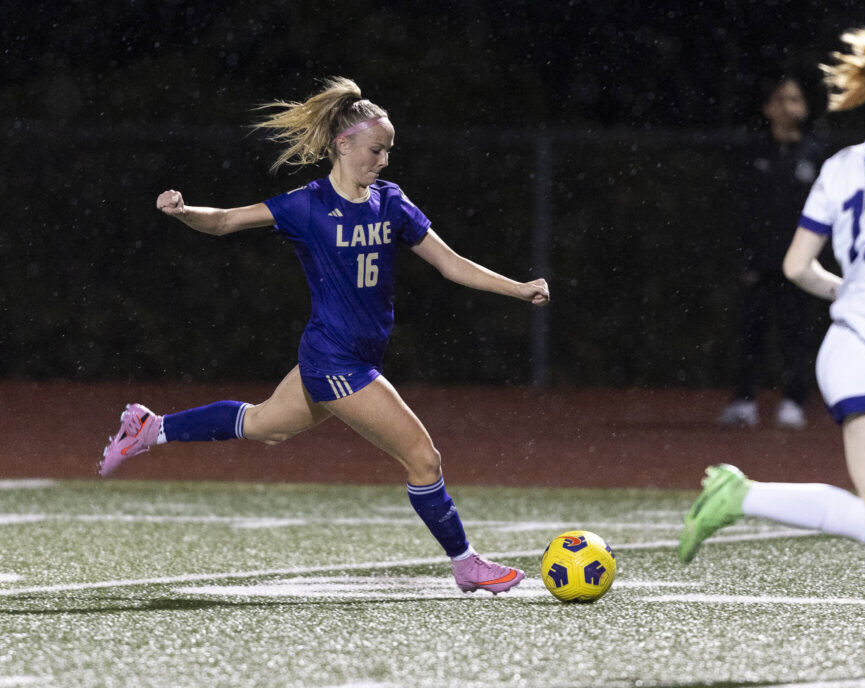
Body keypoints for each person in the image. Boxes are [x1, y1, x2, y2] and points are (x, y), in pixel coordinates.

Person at [99, 76, 550, 595]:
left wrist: (517, 289)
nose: (383, 160)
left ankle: (149, 428)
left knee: (266, 425)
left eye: (388, 151)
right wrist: (184, 213)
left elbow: (450, 265)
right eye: (376, 150)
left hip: (356, 354)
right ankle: (466, 563)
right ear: (343, 144)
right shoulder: (307, 205)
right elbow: (225, 222)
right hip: (335, 359)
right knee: (424, 459)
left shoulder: (391, 202)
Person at [680, 29, 865, 675]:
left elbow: (796, 266)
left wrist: (858, 291)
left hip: (858, 347)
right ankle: (741, 495)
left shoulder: (840, 165)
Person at [719, 76, 824, 430]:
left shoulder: (814, 153)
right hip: (760, 262)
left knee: (797, 334)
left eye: (795, 99)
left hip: (800, 265)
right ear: (767, 108)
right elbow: (740, 209)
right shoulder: (753, 152)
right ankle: (744, 401)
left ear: (805, 107)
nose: (787, 107)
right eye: (780, 99)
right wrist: (745, 256)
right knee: (752, 332)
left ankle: (793, 401)